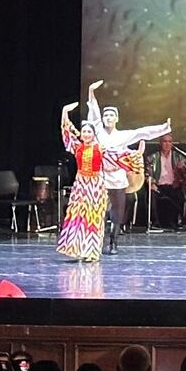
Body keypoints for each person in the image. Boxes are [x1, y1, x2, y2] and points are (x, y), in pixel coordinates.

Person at [85, 81, 170, 254]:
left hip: (118, 179)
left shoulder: (123, 136)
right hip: (101, 178)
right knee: (99, 212)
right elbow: (93, 113)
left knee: (117, 213)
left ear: (117, 119)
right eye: (106, 115)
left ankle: (113, 243)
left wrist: (163, 129)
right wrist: (91, 92)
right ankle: (96, 244)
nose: (108, 118)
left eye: (111, 115)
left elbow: (143, 132)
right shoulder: (98, 133)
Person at [57, 96, 130, 263]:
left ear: (93, 134)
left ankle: (92, 250)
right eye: (84, 132)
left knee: (94, 218)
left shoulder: (100, 148)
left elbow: (117, 156)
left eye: (89, 132)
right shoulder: (77, 147)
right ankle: (77, 249)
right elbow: (66, 132)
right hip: (80, 186)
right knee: (78, 217)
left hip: (96, 186)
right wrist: (65, 113)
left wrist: (135, 154)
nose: (86, 134)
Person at [146, 130, 186, 231]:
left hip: (174, 185)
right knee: (152, 194)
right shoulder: (152, 157)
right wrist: (152, 183)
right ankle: (155, 223)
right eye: (165, 141)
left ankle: (179, 221)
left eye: (169, 142)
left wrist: (182, 169)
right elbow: (148, 174)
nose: (167, 144)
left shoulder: (179, 157)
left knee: (181, 195)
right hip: (158, 186)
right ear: (160, 143)